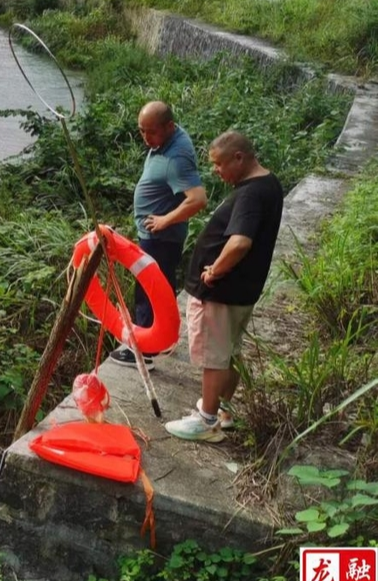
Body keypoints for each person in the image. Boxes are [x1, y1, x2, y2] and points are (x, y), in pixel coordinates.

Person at [165, 131, 283, 442]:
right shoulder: (269, 184)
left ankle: (205, 422)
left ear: (239, 158)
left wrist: (215, 270)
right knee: (229, 352)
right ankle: (223, 412)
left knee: (214, 357)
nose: (216, 171)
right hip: (241, 291)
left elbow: (240, 242)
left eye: (219, 164)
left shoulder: (250, 194)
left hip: (222, 292)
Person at [109, 101, 207, 369]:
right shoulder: (169, 140)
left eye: (151, 132)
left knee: (147, 291)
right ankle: (162, 341)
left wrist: (164, 220)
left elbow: (198, 199)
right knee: (161, 288)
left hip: (161, 240)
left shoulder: (176, 159)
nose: (145, 138)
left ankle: (143, 352)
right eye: (141, 131)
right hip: (159, 238)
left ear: (170, 127)